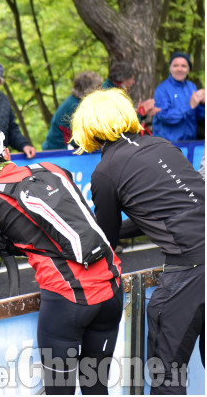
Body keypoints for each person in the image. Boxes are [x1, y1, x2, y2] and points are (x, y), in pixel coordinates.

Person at [0, 122, 123, 394]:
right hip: (111, 285)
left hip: (66, 300)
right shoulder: (53, 169)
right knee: (97, 387)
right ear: (7, 152)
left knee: (60, 391)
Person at [70, 88, 205, 394]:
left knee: (165, 374)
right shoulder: (160, 143)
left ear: (88, 127)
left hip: (191, 266)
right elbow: (172, 208)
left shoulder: (105, 171)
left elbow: (106, 237)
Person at [42, 71, 102, 150]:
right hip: (58, 151)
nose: (101, 89)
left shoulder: (77, 101)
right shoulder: (77, 107)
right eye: (98, 87)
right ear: (89, 89)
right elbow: (89, 140)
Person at [153, 52, 206, 142]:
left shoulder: (192, 87)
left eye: (183, 66)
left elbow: (198, 115)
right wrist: (189, 106)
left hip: (190, 143)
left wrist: (202, 104)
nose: (179, 69)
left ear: (188, 70)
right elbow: (165, 117)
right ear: (170, 69)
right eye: (175, 66)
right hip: (167, 145)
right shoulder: (162, 89)